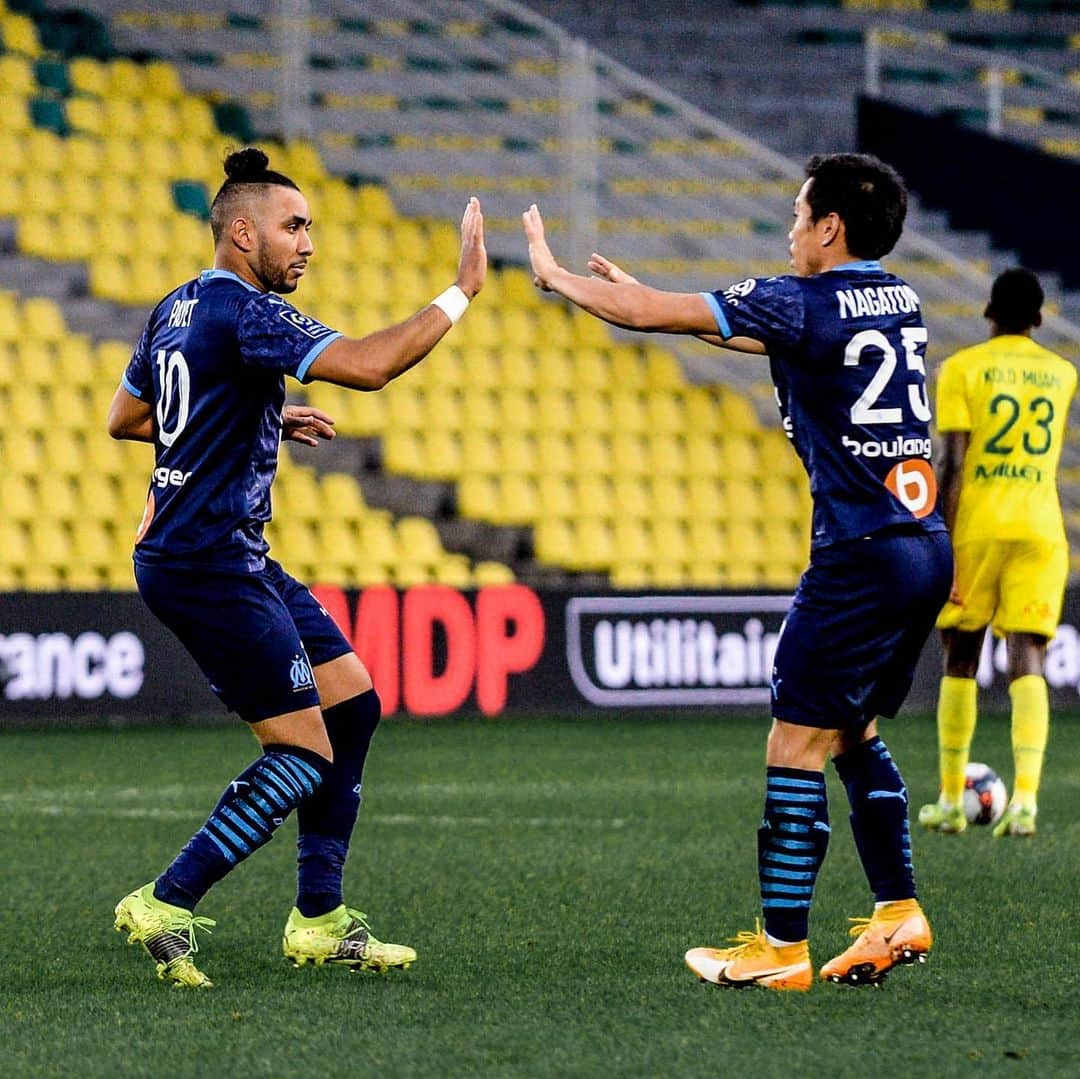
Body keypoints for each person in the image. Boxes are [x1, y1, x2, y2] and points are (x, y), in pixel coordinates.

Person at [523, 152, 952, 990]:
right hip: (923, 541)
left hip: (858, 552)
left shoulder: (801, 298)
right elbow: (758, 329)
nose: (790, 228)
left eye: (799, 214)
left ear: (829, 228)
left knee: (793, 740)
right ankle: (899, 910)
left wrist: (559, 276)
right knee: (852, 727)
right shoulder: (897, 297)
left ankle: (781, 949)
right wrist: (670, 307)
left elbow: (657, 313)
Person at [108, 147, 486, 988]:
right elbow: (373, 365)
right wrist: (462, 290)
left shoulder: (179, 306)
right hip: (207, 563)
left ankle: (318, 919)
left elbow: (127, 415)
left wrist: (264, 422)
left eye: (309, 225)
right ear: (242, 233)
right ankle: (166, 900)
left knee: (352, 703)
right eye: (293, 226)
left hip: (227, 551)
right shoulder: (248, 313)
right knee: (303, 749)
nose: (308, 242)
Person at [919, 268, 1076, 839]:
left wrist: (941, 538)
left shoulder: (960, 370)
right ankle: (1027, 801)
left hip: (979, 527)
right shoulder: (1063, 374)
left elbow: (952, 465)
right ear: (1038, 319)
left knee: (961, 655)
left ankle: (950, 802)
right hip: (1040, 525)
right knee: (1027, 655)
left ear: (989, 314)